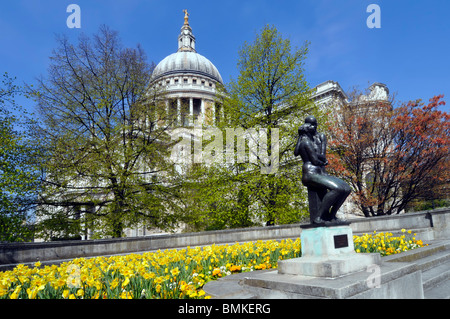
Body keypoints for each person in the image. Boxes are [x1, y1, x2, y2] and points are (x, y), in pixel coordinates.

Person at [294, 116, 351, 225]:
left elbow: (321, 155)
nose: (314, 127)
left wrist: (320, 159)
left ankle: (331, 215)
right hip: (311, 173)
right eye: (311, 125)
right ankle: (319, 217)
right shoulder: (305, 141)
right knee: (338, 189)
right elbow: (299, 154)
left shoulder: (319, 137)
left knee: (347, 189)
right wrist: (300, 137)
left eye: (314, 124)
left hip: (320, 172)